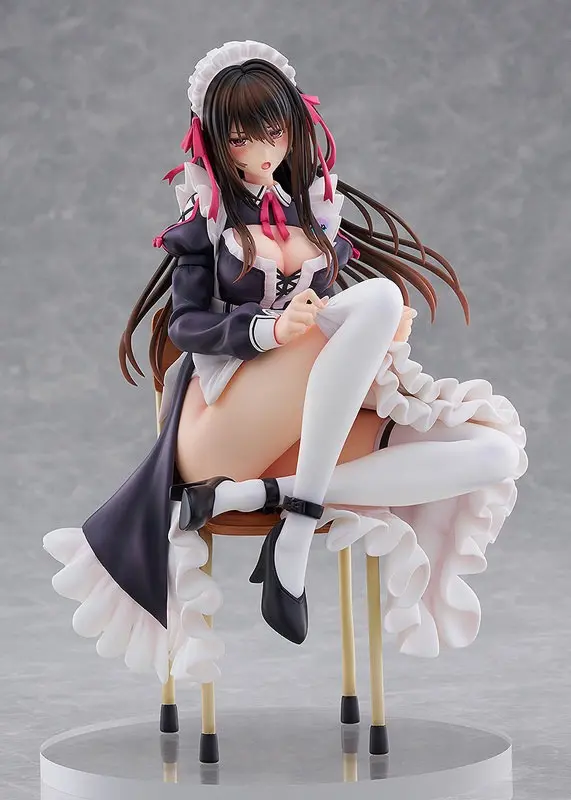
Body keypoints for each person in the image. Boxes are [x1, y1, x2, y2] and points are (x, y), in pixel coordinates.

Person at [43, 41, 528, 683]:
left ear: (296, 127)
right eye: (241, 139)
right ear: (216, 142)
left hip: (302, 434)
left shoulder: (313, 213)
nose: (261, 150)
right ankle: (294, 531)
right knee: (379, 295)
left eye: (273, 132)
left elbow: (335, 316)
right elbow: (186, 326)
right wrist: (269, 328)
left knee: (496, 454)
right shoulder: (206, 223)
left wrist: (375, 332)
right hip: (224, 420)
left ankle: (278, 498)